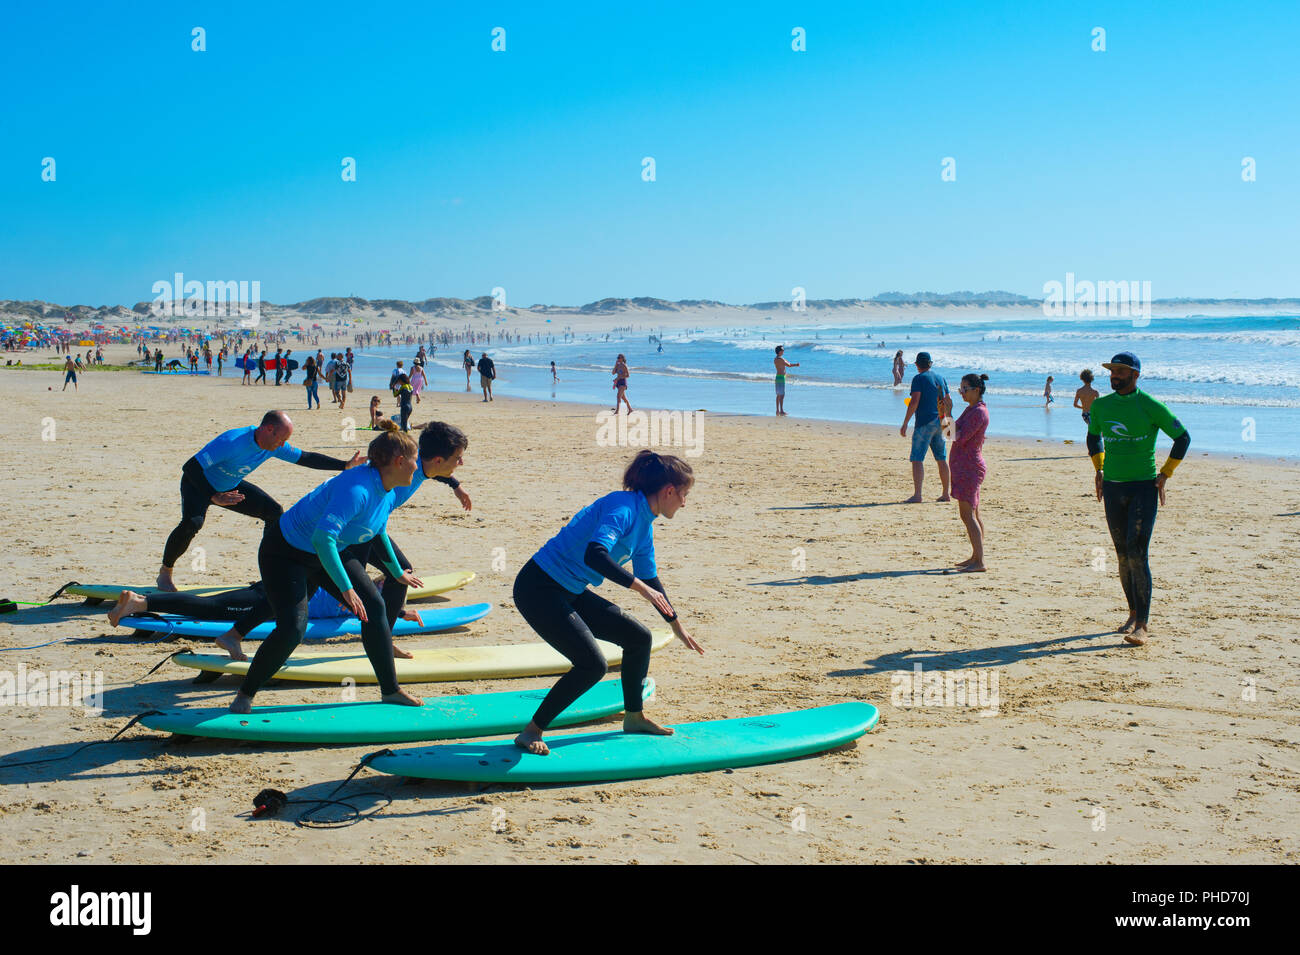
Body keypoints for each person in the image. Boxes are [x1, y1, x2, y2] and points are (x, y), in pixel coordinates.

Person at [511, 450, 704, 756]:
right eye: (684, 495)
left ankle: (634, 717)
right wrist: (639, 588)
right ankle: (532, 730)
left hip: (569, 589)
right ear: (669, 491)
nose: (684, 502)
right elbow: (595, 554)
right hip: (538, 587)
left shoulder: (645, 523)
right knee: (592, 665)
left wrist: (676, 624)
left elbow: (650, 579)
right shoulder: (623, 508)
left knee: (639, 637)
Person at [228, 422, 428, 714]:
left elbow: (377, 530)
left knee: (374, 605)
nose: (417, 466)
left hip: (328, 551)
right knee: (292, 629)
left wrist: (396, 570)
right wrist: (346, 589)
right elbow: (324, 537)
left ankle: (390, 689)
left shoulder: (387, 487)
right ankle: (245, 694)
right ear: (399, 461)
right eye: (414, 459)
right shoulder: (357, 489)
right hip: (286, 553)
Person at [156, 411, 365, 592]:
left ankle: (271, 573)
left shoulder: (273, 446)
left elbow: (306, 458)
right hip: (198, 483)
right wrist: (213, 495)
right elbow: (190, 467)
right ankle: (165, 572)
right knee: (192, 523)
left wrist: (345, 465)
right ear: (268, 429)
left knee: (274, 512)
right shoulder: (232, 442)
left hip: (229, 485)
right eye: (282, 439)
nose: (283, 444)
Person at [1086, 352, 1190, 646]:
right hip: (1114, 487)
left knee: (1137, 552)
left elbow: (1183, 437)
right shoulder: (1101, 406)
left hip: (1144, 487)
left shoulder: (1150, 406)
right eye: (1112, 371)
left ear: (1135, 375)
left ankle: (1142, 625)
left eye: (1120, 371)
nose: (1114, 376)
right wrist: (1099, 468)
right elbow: (1094, 436)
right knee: (1121, 553)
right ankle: (1132, 613)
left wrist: (1165, 474)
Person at [950, 374, 990, 572]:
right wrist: (944, 414)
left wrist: (947, 414)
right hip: (963, 466)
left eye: (965, 389)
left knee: (967, 515)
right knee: (972, 513)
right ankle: (975, 556)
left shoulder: (979, 413)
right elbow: (948, 431)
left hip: (970, 467)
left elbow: (958, 437)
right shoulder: (970, 410)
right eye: (961, 389)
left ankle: (980, 561)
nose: (962, 393)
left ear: (977, 390)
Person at [899, 352, 951, 503]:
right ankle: (945, 494)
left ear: (917, 365)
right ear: (930, 363)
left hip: (924, 422)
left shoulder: (919, 378)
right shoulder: (940, 378)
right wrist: (950, 424)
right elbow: (947, 400)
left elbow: (914, 401)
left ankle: (917, 495)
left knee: (917, 459)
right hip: (941, 421)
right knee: (941, 459)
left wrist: (905, 423)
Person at [774, 346, 799, 416]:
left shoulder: (777, 358)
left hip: (780, 377)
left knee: (781, 394)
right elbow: (789, 365)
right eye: (782, 350)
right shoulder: (780, 359)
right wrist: (796, 365)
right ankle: (779, 410)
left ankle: (780, 410)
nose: (783, 351)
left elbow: (787, 363)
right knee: (780, 395)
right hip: (780, 378)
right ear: (779, 351)